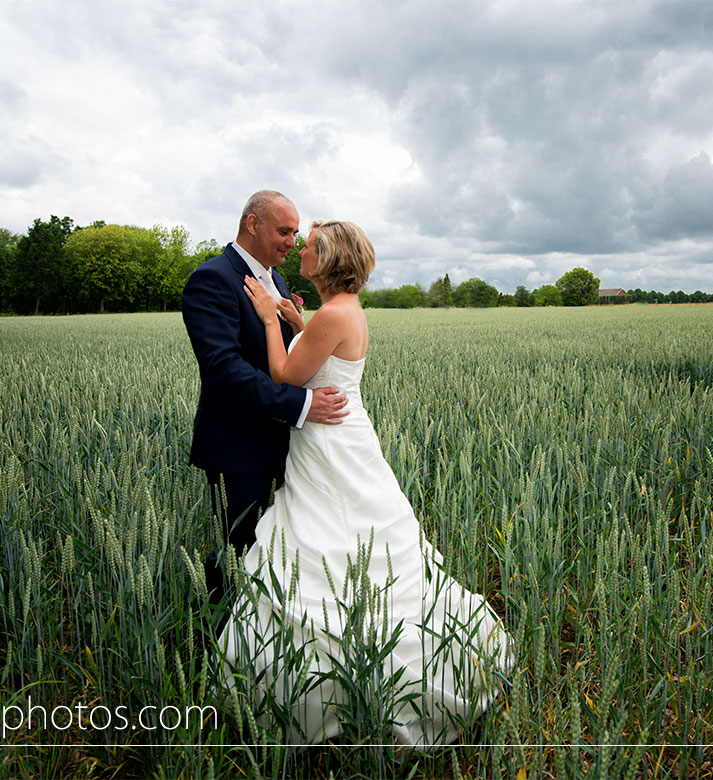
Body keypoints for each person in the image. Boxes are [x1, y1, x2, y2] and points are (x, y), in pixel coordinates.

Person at [219, 219, 512, 746]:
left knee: (329, 533)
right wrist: (296, 318)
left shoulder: (334, 313)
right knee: (355, 535)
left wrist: (269, 320)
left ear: (327, 259)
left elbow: (286, 374)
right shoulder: (340, 310)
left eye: (307, 247)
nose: (299, 253)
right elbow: (325, 352)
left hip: (328, 441)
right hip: (342, 432)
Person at [181, 191, 349, 615]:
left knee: (283, 552)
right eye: (284, 231)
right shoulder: (213, 278)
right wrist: (301, 404)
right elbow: (223, 368)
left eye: (296, 233)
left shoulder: (278, 280)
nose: (293, 242)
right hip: (239, 448)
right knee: (242, 554)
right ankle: (217, 639)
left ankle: (272, 639)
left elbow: (289, 358)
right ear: (252, 224)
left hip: (291, 448)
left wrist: (295, 326)